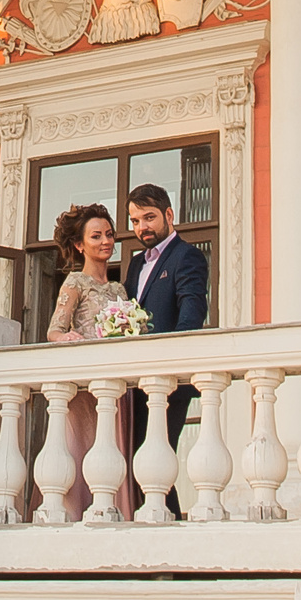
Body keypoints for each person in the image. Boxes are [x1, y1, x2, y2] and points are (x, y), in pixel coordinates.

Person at [43, 202, 131, 517]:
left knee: (111, 450)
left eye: (109, 234)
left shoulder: (119, 289)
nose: (106, 241)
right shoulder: (75, 282)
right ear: (80, 245)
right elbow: (54, 330)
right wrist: (69, 338)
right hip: (85, 386)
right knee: (82, 447)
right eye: (96, 236)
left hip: (115, 384)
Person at [121, 183, 207, 483]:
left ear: (168, 215)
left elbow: (191, 315)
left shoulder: (187, 256)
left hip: (169, 381)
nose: (142, 227)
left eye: (149, 217)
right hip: (137, 382)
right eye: (135, 221)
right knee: (137, 466)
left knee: (156, 466)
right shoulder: (136, 264)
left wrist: (171, 361)